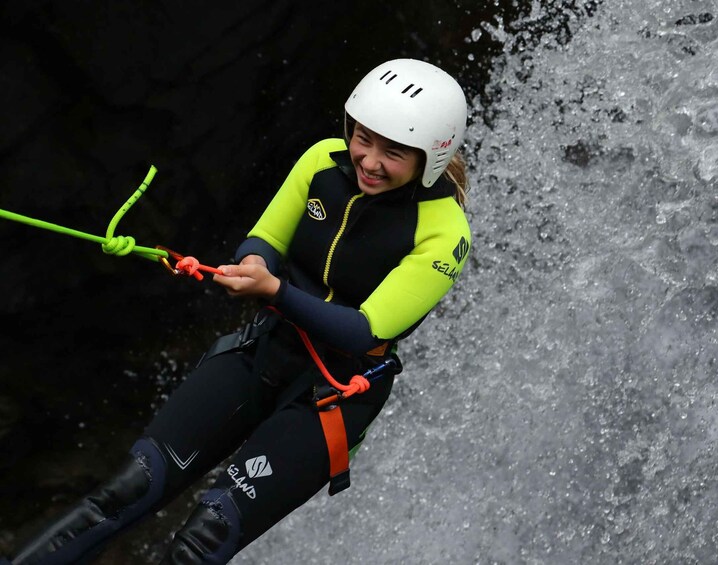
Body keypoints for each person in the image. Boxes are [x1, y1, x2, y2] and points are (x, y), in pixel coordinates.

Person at [6, 58, 471, 564]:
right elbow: (266, 237)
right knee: (130, 485)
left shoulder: (445, 234)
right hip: (264, 349)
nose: (370, 160)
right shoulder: (322, 161)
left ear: (432, 156)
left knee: (202, 539)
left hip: (331, 395)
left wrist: (273, 289)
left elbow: (363, 330)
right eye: (363, 138)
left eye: (394, 152)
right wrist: (253, 263)